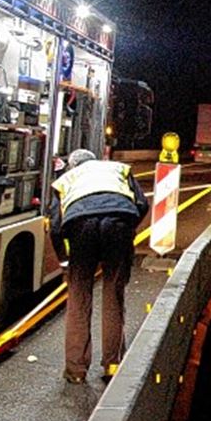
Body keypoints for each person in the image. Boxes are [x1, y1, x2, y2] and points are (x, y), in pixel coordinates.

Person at [47, 149, 149, 384]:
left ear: (73, 165)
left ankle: (76, 370)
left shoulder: (65, 180)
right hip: (118, 223)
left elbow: (55, 226)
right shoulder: (117, 169)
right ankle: (112, 365)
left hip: (81, 227)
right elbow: (142, 203)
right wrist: (128, 229)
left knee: (79, 299)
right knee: (114, 295)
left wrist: (64, 262)